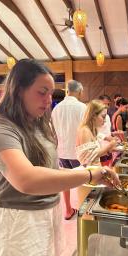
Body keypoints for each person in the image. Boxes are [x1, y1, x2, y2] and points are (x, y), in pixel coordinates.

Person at [0, 59, 120, 256]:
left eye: (50, 94)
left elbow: (51, 170)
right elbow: (27, 179)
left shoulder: (38, 124)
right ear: (18, 89)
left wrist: (94, 173)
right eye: (42, 93)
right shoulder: (2, 128)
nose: (48, 100)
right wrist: (90, 173)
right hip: (19, 220)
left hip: (46, 212)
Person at [52, 80, 86, 220]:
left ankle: (67, 210)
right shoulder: (82, 107)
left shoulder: (56, 108)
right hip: (78, 151)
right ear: (79, 92)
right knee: (82, 182)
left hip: (62, 151)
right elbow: (86, 130)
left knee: (65, 182)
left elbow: (53, 132)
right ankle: (84, 211)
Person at [98, 95, 115, 166]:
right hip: (101, 147)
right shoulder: (96, 117)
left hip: (108, 146)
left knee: (109, 166)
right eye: (104, 104)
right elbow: (94, 132)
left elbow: (107, 130)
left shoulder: (107, 116)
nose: (107, 106)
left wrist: (113, 134)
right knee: (104, 170)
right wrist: (106, 138)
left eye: (108, 104)